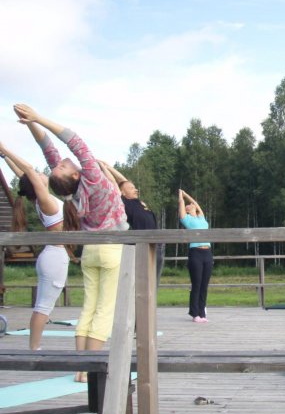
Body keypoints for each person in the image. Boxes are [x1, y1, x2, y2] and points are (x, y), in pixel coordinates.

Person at [14, 104, 128, 382]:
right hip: (112, 249)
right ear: (75, 175)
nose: (62, 161)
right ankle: (90, 368)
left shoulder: (71, 193)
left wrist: (31, 123)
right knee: (104, 310)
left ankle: (81, 368)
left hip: (90, 251)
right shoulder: (94, 179)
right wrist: (39, 117)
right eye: (64, 166)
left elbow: (48, 149)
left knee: (88, 307)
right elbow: (74, 141)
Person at [1, 144, 69, 350]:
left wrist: (4, 156)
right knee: (43, 308)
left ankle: (34, 347)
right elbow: (28, 171)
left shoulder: (40, 199)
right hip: (55, 257)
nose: (40, 173)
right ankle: (34, 349)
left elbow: (24, 174)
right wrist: (4, 147)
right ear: (36, 184)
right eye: (38, 175)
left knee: (43, 307)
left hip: (51, 255)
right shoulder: (44, 200)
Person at [99, 162, 165, 286]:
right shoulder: (124, 202)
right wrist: (103, 167)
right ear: (122, 192)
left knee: (154, 283)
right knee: (144, 283)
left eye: (135, 188)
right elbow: (114, 182)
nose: (136, 190)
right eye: (131, 188)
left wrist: (108, 166)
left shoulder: (139, 202)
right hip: (143, 246)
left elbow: (123, 181)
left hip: (157, 245)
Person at [178, 189, 213, 323]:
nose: (191, 204)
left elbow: (196, 203)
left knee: (204, 284)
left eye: (192, 204)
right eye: (188, 205)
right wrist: (181, 195)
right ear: (186, 210)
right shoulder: (187, 219)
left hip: (207, 252)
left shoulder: (201, 217)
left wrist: (186, 194)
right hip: (196, 253)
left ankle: (202, 313)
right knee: (197, 283)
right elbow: (181, 204)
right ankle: (195, 313)